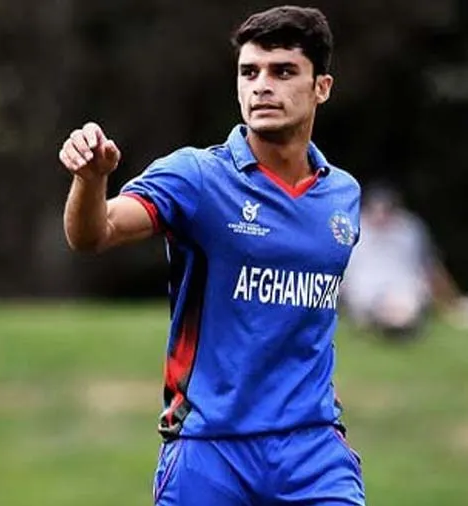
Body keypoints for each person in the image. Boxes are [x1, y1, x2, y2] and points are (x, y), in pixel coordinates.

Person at [59, 6, 364, 505]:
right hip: (209, 450)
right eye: (250, 72)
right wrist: (90, 180)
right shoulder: (197, 177)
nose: (262, 87)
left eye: (283, 72)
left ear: (321, 87)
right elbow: (95, 234)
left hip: (312, 452)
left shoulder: (342, 195)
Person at [341, 182, 468, 340]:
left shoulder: (410, 228)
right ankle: (390, 321)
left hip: (403, 288)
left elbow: (430, 268)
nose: (381, 215)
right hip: (363, 292)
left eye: (386, 209)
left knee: (403, 304)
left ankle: (394, 321)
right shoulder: (351, 229)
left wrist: (450, 301)